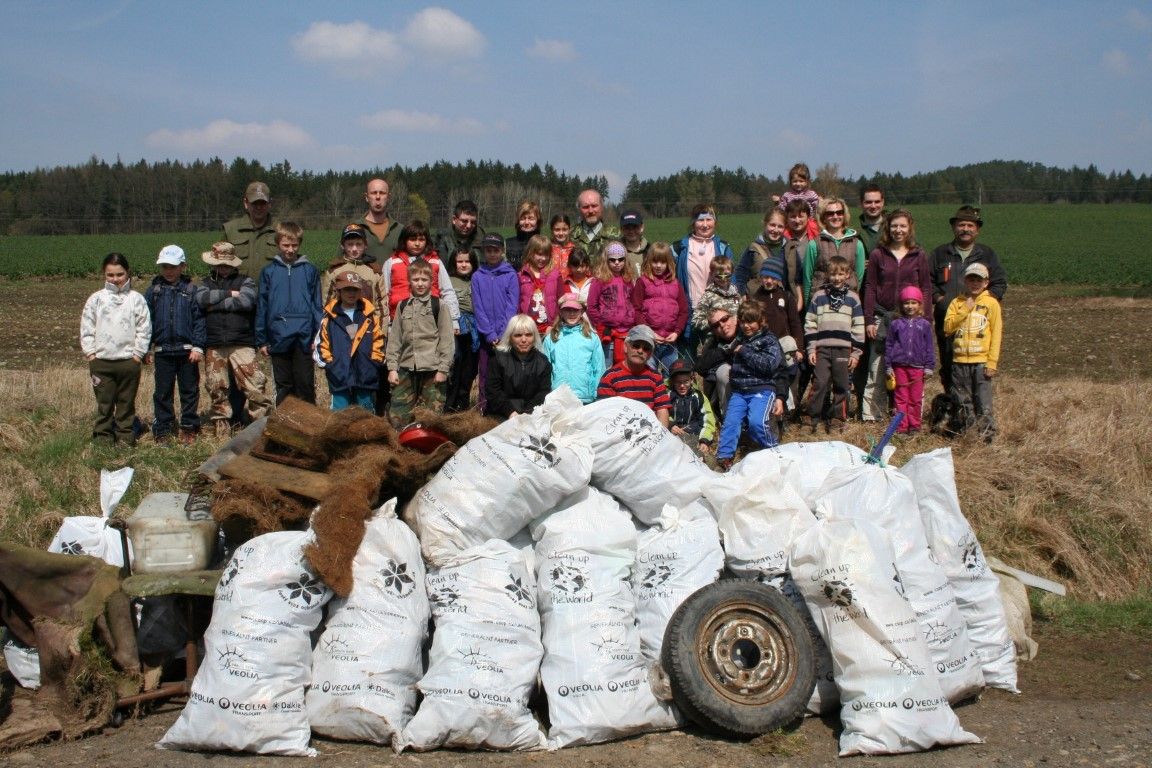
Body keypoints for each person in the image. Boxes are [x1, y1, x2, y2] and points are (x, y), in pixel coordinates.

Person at [861, 209, 933, 422]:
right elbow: (870, 287)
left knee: (911, 368)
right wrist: (868, 319)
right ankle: (872, 414)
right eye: (894, 226)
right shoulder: (878, 254)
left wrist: (926, 319)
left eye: (902, 226)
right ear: (887, 227)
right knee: (878, 368)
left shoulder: (918, 255)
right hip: (882, 317)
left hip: (911, 320)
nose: (898, 230)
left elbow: (926, 288)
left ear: (909, 228)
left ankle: (910, 416)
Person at [196, 241, 272, 437]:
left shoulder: (246, 282)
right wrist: (229, 294)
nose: (223, 268)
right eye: (219, 264)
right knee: (216, 387)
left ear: (233, 264)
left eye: (226, 265)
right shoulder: (205, 284)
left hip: (242, 342)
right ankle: (221, 428)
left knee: (255, 384)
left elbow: (246, 301)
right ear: (213, 264)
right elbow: (202, 300)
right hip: (214, 344)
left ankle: (262, 428)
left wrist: (216, 303)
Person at [931, 205, 1008, 391]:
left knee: (977, 368)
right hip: (949, 322)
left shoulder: (987, 254)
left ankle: (977, 405)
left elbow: (999, 283)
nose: (965, 229)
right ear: (953, 227)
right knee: (949, 363)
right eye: (961, 224)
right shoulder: (940, 253)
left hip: (979, 326)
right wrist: (940, 299)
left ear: (977, 229)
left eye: (970, 225)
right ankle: (953, 403)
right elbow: (927, 282)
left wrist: (985, 301)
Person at [80, 253, 150, 445]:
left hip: (128, 362)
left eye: (119, 274)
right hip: (101, 362)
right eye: (110, 275)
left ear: (127, 273)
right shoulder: (96, 299)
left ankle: (125, 437)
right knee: (105, 403)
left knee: (126, 403)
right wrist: (91, 354)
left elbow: (144, 328)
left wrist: (137, 355)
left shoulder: (136, 299)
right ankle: (103, 437)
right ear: (104, 274)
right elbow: (87, 327)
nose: (115, 279)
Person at [255, 221, 322, 405]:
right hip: (278, 336)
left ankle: (309, 427)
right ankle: (285, 427)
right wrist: (262, 339)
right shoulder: (269, 272)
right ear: (278, 244)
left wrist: (318, 337)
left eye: (294, 245)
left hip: (304, 337)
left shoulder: (310, 270)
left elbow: (317, 306)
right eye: (286, 245)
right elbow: (262, 306)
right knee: (284, 385)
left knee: (305, 384)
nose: (290, 250)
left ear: (299, 244)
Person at [144, 245, 205, 444]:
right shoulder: (153, 292)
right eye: (165, 267)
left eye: (173, 266)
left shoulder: (191, 291)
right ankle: (163, 427)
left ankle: (188, 426)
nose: (168, 271)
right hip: (162, 351)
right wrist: (146, 348)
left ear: (183, 267)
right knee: (162, 392)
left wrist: (197, 346)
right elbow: (147, 323)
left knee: (189, 391)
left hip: (187, 351)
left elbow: (199, 321)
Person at [714, 303, 787, 469]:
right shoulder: (740, 339)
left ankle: (774, 450)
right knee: (731, 422)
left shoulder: (769, 340)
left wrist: (745, 352)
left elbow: (769, 365)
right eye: (743, 322)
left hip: (762, 389)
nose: (746, 326)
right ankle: (724, 457)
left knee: (756, 423)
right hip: (739, 391)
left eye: (751, 322)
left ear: (761, 321)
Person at [385, 259, 455, 427]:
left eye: (424, 280)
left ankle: (425, 447)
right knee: (398, 415)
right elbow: (395, 339)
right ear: (409, 281)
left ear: (432, 281)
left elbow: (447, 340)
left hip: (432, 369)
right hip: (406, 367)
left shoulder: (439, 306)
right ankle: (401, 445)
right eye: (416, 279)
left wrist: (443, 369)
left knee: (429, 418)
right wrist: (392, 368)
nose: (420, 283)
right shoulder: (403, 306)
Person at [804, 255, 865, 434]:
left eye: (841, 274)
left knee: (842, 384)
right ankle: (811, 418)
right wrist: (810, 349)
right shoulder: (819, 296)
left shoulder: (853, 298)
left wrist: (856, 353)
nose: (837, 278)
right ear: (827, 275)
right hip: (822, 348)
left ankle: (837, 418)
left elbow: (859, 325)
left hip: (844, 349)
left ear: (847, 275)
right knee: (819, 382)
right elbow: (810, 322)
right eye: (833, 274)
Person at [943, 262, 1002, 441]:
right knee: (962, 400)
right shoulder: (957, 302)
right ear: (965, 281)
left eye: (979, 280)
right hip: (960, 360)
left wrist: (992, 362)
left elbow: (996, 334)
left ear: (986, 283)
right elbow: (947, 328)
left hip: (981, 361)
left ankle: (987, 435)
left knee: (982, 400)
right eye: (971, 279)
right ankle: (966, 432)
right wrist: (964, 310)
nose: (975, 283)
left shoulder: (991, 304)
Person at [317, 271, 385, 412]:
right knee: (339, 416)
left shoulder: (370, 316)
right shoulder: (329, 318)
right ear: (339, 291)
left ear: (360, 291)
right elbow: (322, 344)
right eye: (347, 289)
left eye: (355, 289)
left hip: (365, 374)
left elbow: (379, 341)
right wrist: (330, 365)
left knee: (365, 416)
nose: (351, 293)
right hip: (339, 375)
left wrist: (374, 362)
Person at [749, 253, 805, 420]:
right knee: (771, 376)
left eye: (773, 278)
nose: (768, 281)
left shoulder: (786, 297)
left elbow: (795, 324)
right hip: (765, 345)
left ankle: (790, 408)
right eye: (765, 277)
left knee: (790, 374)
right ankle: (772, 409)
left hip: (785, 344)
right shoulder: (756, 298)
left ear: (779, 279)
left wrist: (800, 348)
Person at [674, 204, 736, 350]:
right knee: (689, 353)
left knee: (715, 354)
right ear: (693, 223)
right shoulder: (679, 248)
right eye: (700, 220)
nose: (705, 224)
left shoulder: (723, 247)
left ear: (715, 222)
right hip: (690, 309)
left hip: (717, 311)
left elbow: (731, 280)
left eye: (709, 219)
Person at [471, 233, 519, 413]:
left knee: (505, 374)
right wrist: (490, 334)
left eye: (495, 250)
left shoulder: (510, 275)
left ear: (502, 251)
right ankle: (483, 409)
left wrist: (502, 334)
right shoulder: (477, 276)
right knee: (484, 374)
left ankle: (505, 411)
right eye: (488, 250)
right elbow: (478, 307)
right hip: (486, 337)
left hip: (505, 337)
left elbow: (511, 306)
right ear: (484, 252)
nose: (492, 254)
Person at [381, 220, 460, 328]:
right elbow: (384, 294)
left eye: (421, 239)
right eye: (412, 239)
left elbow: (447, 291)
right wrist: (386, 322)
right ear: (404, 240)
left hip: (431, 322)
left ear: (427, 241)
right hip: (399, 322)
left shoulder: (435, 262)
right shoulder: (392, 263)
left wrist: (453, 319)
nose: (417, 243)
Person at [596, 324, 671, 427]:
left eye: (646, 348)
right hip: (619, 432)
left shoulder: (655, 378)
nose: (640, 351)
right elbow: (605, 413)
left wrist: (661, 437)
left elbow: (662, 410)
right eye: (636, 346)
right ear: (626, 347)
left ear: (650, 354)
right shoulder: (610, 377)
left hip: (650, 433)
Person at [632, 241, 688, 376]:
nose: (658, 266)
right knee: (648, 375)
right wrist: (649, 332)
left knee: (674, 374)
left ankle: (670, 397)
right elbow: (637, 310)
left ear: (669, 263)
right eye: (655, 262)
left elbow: (683, 311)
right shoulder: (643, 282)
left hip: (669, 341)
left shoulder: (675, 283)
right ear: (649, 262)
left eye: (662, 262)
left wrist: (677, 332)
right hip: (648, 340)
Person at [885, 286, 935, 434]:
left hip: (918, 368)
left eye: (913, 303)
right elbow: (889, 345)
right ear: (901, 305)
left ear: (920, 305)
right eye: (906, 303)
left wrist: (929, 366)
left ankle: (914, 426)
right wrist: (888, 366)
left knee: (915, 398)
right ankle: (901, 426)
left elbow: (929, 347)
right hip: (899, 367)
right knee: (901, 398)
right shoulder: (896, 324)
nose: (910, 306)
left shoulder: (925, 325)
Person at [485, 314, 553, 419]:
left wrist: (526, 415)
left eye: (528, 335)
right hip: (500, 415)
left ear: (534, 336)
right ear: (510, 337)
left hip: (531, 415)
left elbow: (543, 393)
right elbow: (493, 391)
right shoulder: (497, 358)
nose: (524, 340)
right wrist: (510, 412)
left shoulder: (543, 362)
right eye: (518, 335)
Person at [543, 294, 605, 404]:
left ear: (582, 312)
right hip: (558, 397)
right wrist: (548, 393)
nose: (571, 313)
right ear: (561, 312)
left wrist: (596, 392)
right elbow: (545, 369)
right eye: (567, 310)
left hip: (585, 397)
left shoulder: (591, 337)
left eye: (575, 310)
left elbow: (599, 367)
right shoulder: (552, 338)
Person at [803, 197, 866, 305]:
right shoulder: (814, 244)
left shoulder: (857, 244)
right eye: (830, 213)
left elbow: (858, 277)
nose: (835, 216)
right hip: (821, 303)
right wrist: (808, 306)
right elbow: (807, 278)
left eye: (839, 212)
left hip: (847, 303)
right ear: (823, 217)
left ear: (844, 215)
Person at [587, 241, 637, 367]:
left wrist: (632, 318)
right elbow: (591, 305)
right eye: (612, 260)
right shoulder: (600, 280)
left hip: (627, 331)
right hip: (608, 333)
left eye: (620, 259)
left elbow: (634, 301)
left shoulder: (629, 278)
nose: (617, 263)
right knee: (608, 366)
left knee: (625, 366)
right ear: (606, 261)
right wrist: (600, 323)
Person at [445, 249, 480, 412]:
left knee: (470, 366)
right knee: (456, 364)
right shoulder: (448, 280)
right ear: (453, 263)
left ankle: (463, 402)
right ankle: (449, 403)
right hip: (455, 326)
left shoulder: (476, 279)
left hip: (475, 326)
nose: (464, 264)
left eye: (468, 261)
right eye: (460, 261)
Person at [222, 181, 278, 280]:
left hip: (272, 293)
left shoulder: (281, 230)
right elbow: (219, 266)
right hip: (239, 293)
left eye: (263, 203)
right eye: (255, 203)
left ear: (270, 203)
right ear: (246, 203)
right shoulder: (230, 230)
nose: (259, 207)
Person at [694, 303, 740, 420]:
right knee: (724, 371)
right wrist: (726, 351)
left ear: (734, 318)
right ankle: (729, 419)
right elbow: (700, 367)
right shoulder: (714, 343)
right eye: (716, 325)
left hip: (755, 385)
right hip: (729, 389)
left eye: (724, 319)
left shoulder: (748, 331)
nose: (722, 325)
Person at [735, 208, 793, 299]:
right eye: (772, 225)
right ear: (765, 224)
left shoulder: (791, 248)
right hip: (758, 302)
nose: (776, 230)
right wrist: (742, 294)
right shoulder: (753, 249)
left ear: (785, 227)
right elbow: (741, 274)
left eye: (780, 226)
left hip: (783, 304)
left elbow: (797, 279)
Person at [322, 223, 384, 306]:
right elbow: (327, 304)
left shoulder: (375, 272)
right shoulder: (334, 271)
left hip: (369, 318)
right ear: (342, 245)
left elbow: (381, 303)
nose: (354, 249)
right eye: (350, 244)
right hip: (341, 318)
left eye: (358, 244)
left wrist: (381, 319)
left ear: (365, 245)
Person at [667, 359, 716, 456]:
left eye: (686, 381)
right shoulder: (666, 395)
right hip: (671, 434)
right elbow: (660, 413)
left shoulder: (699, 397)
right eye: (678, 382)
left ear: (692, 380)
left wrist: (704, 440)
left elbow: (707, 420)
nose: (682, 386)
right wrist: (670, 424)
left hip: (694, 435)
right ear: (672, 381)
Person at [518, 234, 564, 334]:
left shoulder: (555, 274)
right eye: (539, 254)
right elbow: (517, 302)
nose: (542, 258)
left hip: (549, 327)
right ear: (530, 253)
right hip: (527, 328)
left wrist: (555, 325)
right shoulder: (521, 275)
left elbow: (562, 301)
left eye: (546, 255)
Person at [690, 255, 740, 338]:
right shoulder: (708, 296)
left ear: (732, 273)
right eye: (719, 276)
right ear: (711, 275)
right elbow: (696, 322)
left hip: (735, 339)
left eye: (727, 275)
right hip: (715, 341)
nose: (723, 279)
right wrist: (715, 324)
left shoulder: (736, 295)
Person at [572, 189, 620, 266]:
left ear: (602, 207)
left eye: (594, 206)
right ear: (579, 209)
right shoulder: (569, 236)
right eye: (585, 207)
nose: (590, 211)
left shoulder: (617, 235)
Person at [773, 163, 821, 240]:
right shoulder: (787, 195)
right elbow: (782, 210)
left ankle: (813, 245)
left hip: (808, 221)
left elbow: (817, 208)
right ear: (790, 182)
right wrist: (777, 202)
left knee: (814, 232)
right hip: (791, 222)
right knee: (785, 234)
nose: (798, 184)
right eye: (795, 181)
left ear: (807, 181)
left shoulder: (811, 194)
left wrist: (821, 202)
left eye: (801, 181)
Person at [435, 199, 485, 268]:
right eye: (464, 221)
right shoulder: (442, 238)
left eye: (473, 222)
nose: (468, 226)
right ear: (454, 220)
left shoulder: (483, 239)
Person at [361, 178, 402, 262]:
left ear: (388, 197)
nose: (378, 197)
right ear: (366, 197)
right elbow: (340, 263)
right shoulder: (354, 228)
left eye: (382, 193)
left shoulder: (400, 230)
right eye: (373, 193)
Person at [504, 200, 542, 271]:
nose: (526, 222)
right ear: (518, 221)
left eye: (531, 218)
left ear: (538, 221)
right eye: (523, 218)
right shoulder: (507, 244)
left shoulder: (544, 244)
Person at [857, 183, 886, 256]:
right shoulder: (854, 231)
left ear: (882, 202)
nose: (873, 206)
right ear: (861, 203)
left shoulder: (894, 227)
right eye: (868, 202)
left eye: (877, 202)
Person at [619, 208, 651, 274]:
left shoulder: (651, 250)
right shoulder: (614, 252)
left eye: (635, 227)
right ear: (621, 229)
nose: (631, 231)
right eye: (627, 228)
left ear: (642, 227)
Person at [549, 213, 578, 278]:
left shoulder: (574, 249)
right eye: (557, 230)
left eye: (564, 229)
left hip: (568, 285)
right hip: (551, 285)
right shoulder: (547, 247)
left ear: (569, 229)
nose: (561, 233)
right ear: (552, 230)